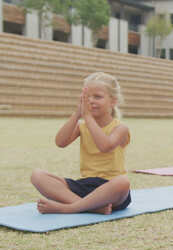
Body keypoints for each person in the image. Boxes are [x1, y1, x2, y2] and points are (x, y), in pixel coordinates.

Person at [30, 72, 131, 215]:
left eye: (97, 97)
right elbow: (60, 142)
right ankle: (91, 207)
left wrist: (87, 117)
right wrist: (78, 113)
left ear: (113, 101)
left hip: (110, 188)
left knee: (123, 182)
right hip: (85, 186)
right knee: (37, 175)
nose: (91, 101)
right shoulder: (82, 126)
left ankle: (69, 208)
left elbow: (105, 146)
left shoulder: (120, 128)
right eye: (87, 97)